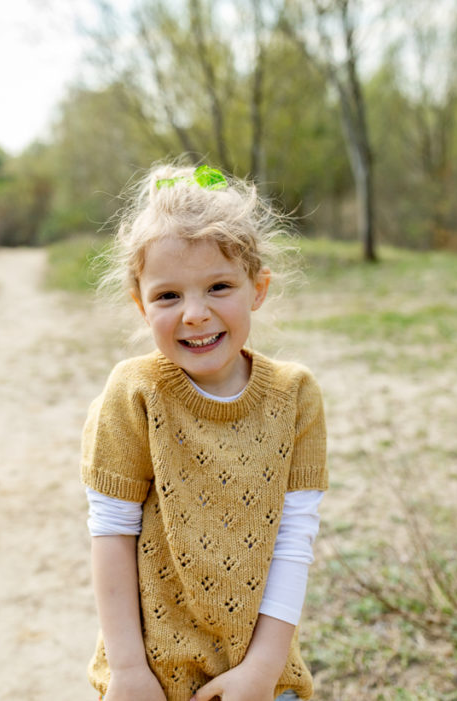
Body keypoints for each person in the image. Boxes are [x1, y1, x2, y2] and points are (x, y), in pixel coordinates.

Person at [81, 164, 327, 701]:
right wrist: (127, 670)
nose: (195, 314)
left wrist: (262, 671)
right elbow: (111, 532)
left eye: (219, 286)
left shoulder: (295, 396)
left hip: (260, 672)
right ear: (140, 303)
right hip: (148, 674)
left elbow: (293, 542)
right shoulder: (135, 393)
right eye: (168, 296)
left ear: (257, 288)